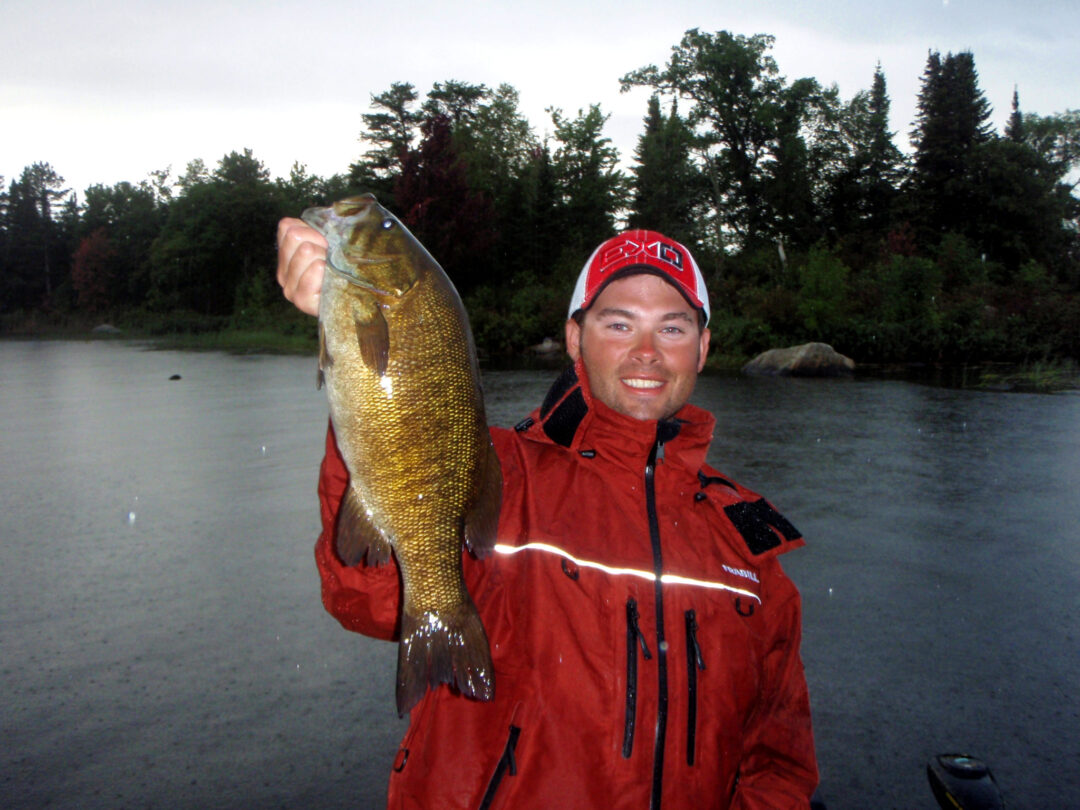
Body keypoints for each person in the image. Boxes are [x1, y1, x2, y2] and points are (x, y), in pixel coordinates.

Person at [277, 218, 819, 809]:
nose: (647, 352)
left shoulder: (749, 545)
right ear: (574, 337)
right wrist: (352, 333)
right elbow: (368, 598)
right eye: (618, 323)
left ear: (703, 347)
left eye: (672, 327)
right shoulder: (498, 472)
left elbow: (779, 758)